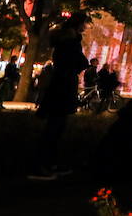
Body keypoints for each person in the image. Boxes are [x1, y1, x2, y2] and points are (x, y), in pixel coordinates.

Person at [29, 11, 90, 180]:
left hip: (62, 85)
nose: (86, 26)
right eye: (85, 23)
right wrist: (79, 63)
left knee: (57, 127)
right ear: (79, 24)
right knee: (54, 127)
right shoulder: (70, 42)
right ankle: (41, 165)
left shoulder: (65, 41)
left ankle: (49, 163)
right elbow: (79, 61)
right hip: (62, 86)